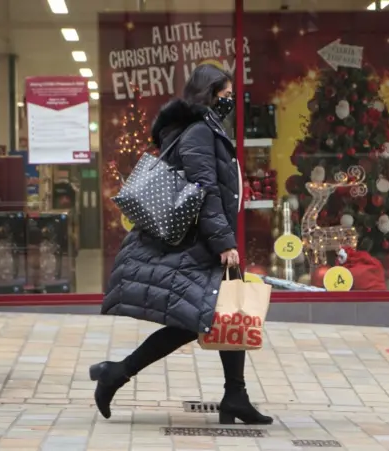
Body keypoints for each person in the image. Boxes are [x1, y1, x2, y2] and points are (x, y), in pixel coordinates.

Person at [90, 64, 273, 425]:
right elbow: (204, 192)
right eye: (223, 96)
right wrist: (223, 242)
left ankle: (235, 394)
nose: (229, 102)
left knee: (227, 313)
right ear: (208, 94)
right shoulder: (199, 133)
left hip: (207, 239)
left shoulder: (201, 129)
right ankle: (117, 372)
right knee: (197, 320)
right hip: (201, 244)